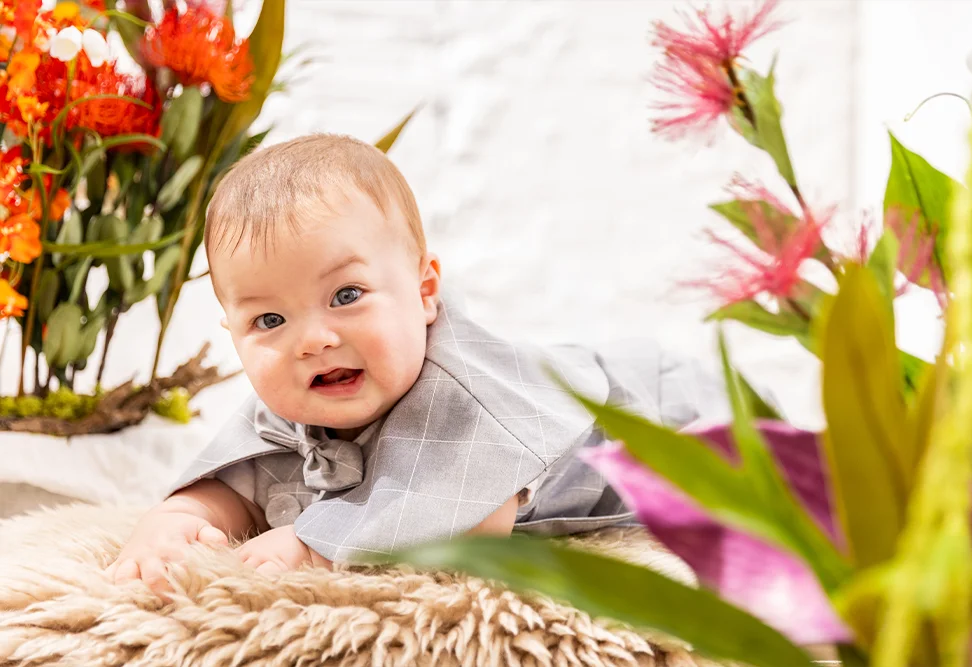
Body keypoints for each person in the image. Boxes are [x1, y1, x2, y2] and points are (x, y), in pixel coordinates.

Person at [106, 134, 725, 594]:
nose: (313, 340)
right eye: (269, 321)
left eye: (346, 296)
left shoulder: (465, 395)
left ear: (425, 291)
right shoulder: (298, 393)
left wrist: (315, 547)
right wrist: (180, 516)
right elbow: (241, 479)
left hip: (668, 411)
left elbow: (469, 520)